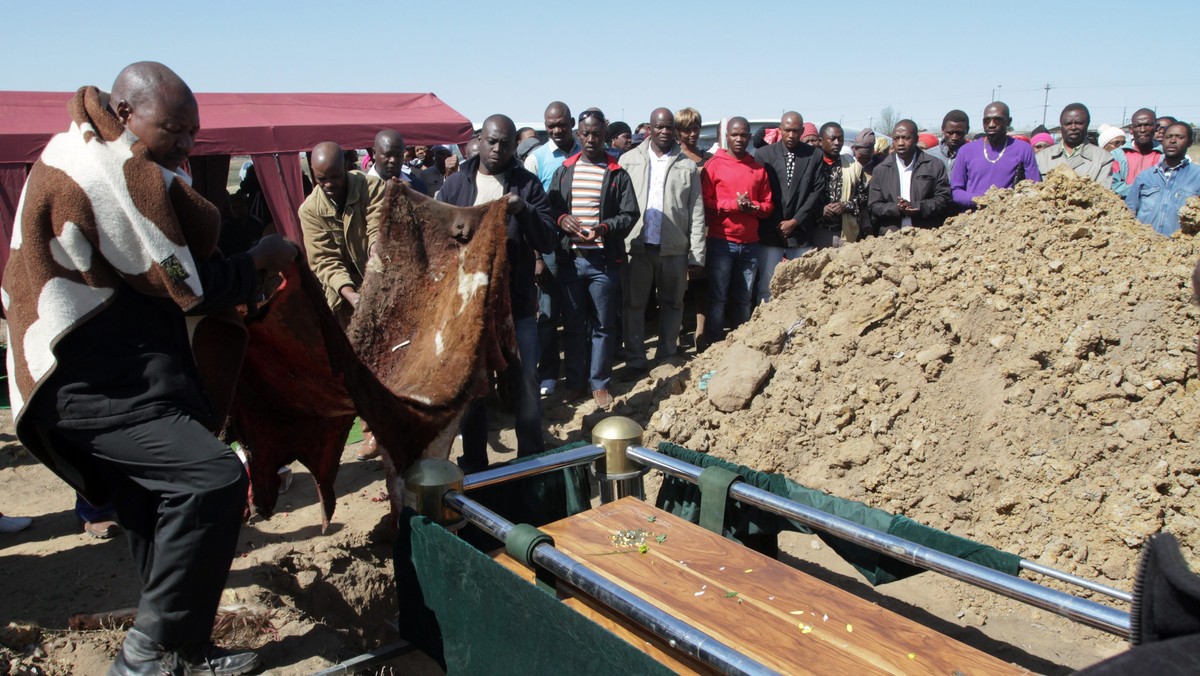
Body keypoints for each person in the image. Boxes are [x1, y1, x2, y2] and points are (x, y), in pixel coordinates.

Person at [3, 61, 299, 675]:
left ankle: (182, 653)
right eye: (175, 129)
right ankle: (142, 656)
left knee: (150, 509)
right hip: (90, 386)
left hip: (131, 373)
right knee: (214, 478)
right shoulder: (101, 171)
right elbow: (179, 280)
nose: (188, 145)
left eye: (194, 131)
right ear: (123, 112)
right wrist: (255, 262)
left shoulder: (118, 158)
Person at [438, 115, 558, 472]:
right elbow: (438, 238)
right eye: (491, 141)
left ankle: (531, 458)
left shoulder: (527, 185)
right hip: (470, 307)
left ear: (513, 146)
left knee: (525, 380)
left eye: (505, 143)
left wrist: (524, 211)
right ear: (480, 140)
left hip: (518, 302)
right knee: (473, 388)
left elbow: (548, 238)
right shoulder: (457, 184)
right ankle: (474, 462)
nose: (496, 149)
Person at [546, 109, 639, 409]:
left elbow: (629, 214)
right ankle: (574, 383)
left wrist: (603, 228)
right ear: (577, 133)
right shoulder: (565, 171)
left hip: (603, 261)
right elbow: (548, 209)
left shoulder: (616, 173)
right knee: (573, 326)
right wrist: (561, 220)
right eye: (584, 133)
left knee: (602, 325)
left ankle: (599, 383)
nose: (590, 139)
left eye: (596, 134)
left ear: (605, 134)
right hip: (571, 261)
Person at [618, 108, 705, 374]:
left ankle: (666, 356)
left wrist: (696, 253)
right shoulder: (628, 160)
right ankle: (635, 359)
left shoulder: (687, 165)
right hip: (637, 248)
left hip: (674, 249)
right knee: (633, 306)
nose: (664, 131)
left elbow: (697, 212)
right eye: (659, 127)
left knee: (672, 304)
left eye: (669, 127)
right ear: (650, 129)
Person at [701, 117, 773, 344]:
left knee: (744, 298)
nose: (739, 139)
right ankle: (713, 346)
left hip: (750, 243)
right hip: (721, 241)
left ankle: (741, 345)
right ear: (727, 137)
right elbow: (705, 204)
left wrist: (754, 207)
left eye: (743, 135)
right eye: (735, 135)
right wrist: (734, 205)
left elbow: (768, 206)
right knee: (718, 298)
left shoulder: (758, 168)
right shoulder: (714, 165)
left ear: (749, 137)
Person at [299, 142, 386, 323]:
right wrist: (352, 295)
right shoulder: (309, 211)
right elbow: (325, 260)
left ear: (346, 167)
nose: (329, 184)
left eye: (335, 176)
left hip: (381, 279)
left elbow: (378, 225)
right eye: (321, 179)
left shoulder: (371, 187)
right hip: (344, 296)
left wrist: (376, 248)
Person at [755, 111, 824, 303]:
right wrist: (778, 222)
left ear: (802, 131)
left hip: (800, 231)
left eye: (795, 131)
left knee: (801, 285)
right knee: (766, 286)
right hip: (771, 230)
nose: (791, 135)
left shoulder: (814, 155)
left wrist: (795, 221)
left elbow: (816, 191)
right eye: (787, 130)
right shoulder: (764, 155)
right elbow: (762, 191)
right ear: (780, 130)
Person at [951, 101, 1041, 210]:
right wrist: (981, 200)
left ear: (1008, 121)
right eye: (986, 120)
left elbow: (1035, 188)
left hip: (1008, 218)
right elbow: (956, 191)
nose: (991, 124)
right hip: (972, 219)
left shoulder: (1023, 149)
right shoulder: (966, 150)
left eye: (997, 120)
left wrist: (1005, 202)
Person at [868, 119, 952, 233]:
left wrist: (917, 207)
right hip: (891, 237)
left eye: (906, 138)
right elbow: (873, 206)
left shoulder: (934, 165)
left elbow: (944, 199)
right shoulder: (881, 170)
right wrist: (897, 209)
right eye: (896, 138)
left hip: (925, 235)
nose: (901, 143)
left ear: (916, 139)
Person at [1127, 123, 1200, 236]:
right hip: (1146, 247)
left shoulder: (1197, 176)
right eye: (1168, 137)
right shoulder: (1145, 177)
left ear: (1189, 142)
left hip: (1180, 248)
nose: (1172, 141)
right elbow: (1128, 213)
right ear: (1162, 141)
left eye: (1179, 137)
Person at [813, 123, 869, 248]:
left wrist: (845, 206)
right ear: (821, 141)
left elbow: (864, 198)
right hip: (816, 232)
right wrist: (820, 209)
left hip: (845, 233)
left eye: (840, 139)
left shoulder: (853, 166)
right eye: (832, 139)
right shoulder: (811, 166)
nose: (837, 143)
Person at [1035, 103, 1113, 185]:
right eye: (1068, 123)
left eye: (1079, 123)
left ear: (1087, 124)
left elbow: (1103, 193)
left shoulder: (1103, 159)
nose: (1073, 127)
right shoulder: (1041, 158)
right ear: (1061, 125)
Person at [1112, 108, 1163, 197]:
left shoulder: (1164, 155)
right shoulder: (1117, 156)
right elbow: (1113, 186)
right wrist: (1146, 190)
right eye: (1138, 126)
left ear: (1156, 127)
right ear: (1131, 129)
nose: (1143, 130)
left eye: (1147, 125)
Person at [367, 129, 428, 194]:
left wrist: (412, 196)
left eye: (398, 155)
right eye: (387, 155)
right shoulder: (360, 186)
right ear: (374, 153)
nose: (393, 160)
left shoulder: (417, 185)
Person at [925, 109, 970, 174]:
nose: (954, 137)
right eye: (950, 133)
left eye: (959, 133)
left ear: (967, 130)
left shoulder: (974, 156)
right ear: (942, 129)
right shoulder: (929, 156)